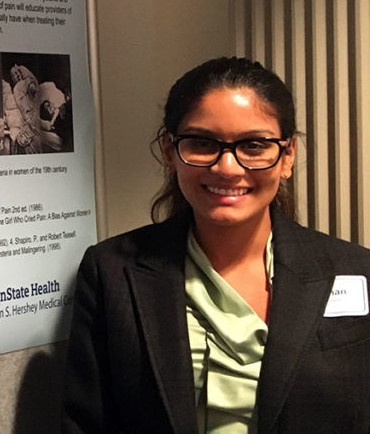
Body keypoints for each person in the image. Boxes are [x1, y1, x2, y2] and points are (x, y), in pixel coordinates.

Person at [62, 57, 370, 433]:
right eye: (203, 143)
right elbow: (87, 424)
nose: (228, 168)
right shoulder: (112, 273)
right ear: (169, 152)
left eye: (254, 145)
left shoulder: (355, 270)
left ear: (287, 156)